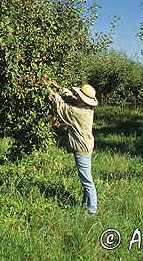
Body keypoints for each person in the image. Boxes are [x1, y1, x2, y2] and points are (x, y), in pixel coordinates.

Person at [48, 81, 98, 215]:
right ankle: (85, 204)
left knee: (86, 180)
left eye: (79, 95)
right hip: (87, 146)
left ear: (83, 100)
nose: (76, 96)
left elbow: (60, 105)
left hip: (82, 149)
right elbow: (70, 97)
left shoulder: (78, 113)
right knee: (86, 178)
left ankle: (92, 210)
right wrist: (58, 87)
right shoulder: (87, 108)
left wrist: (47, 89)